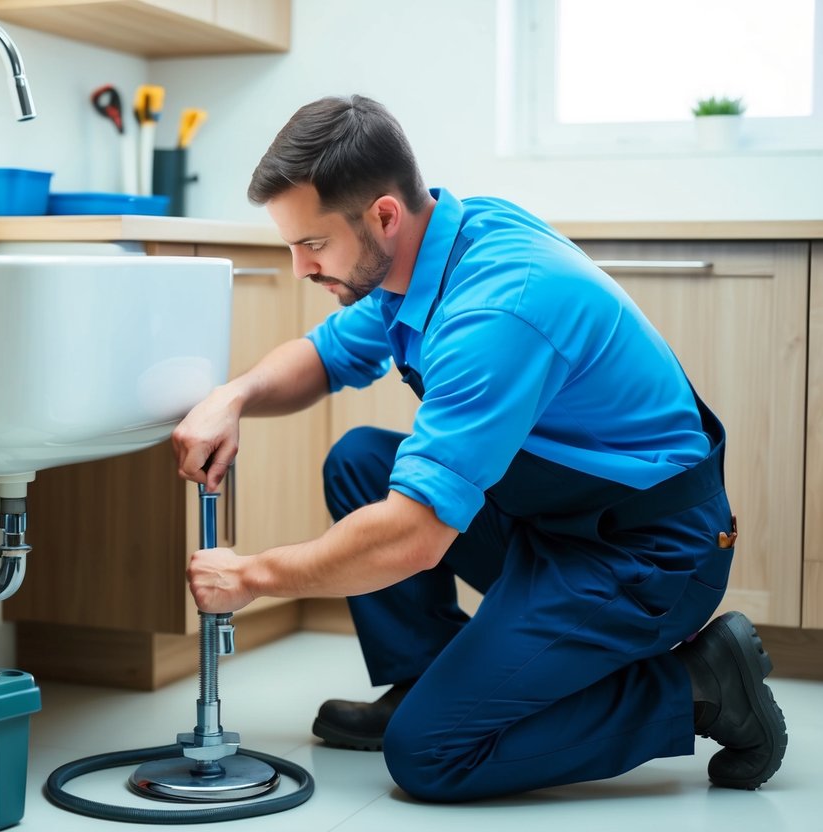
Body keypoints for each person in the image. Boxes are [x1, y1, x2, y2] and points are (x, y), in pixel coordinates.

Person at [170, 94, 788, 802]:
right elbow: (324, 356)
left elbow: (411, 540)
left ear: (382, 216)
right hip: (556, 522)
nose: (299, 269)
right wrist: (234, 395)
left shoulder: (496, 310)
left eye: (311, 245)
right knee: (362, 460)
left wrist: (253, 577)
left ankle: (702, 685)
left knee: (431, 756)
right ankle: (430, 679)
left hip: (646, 555)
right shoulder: (442, 241)